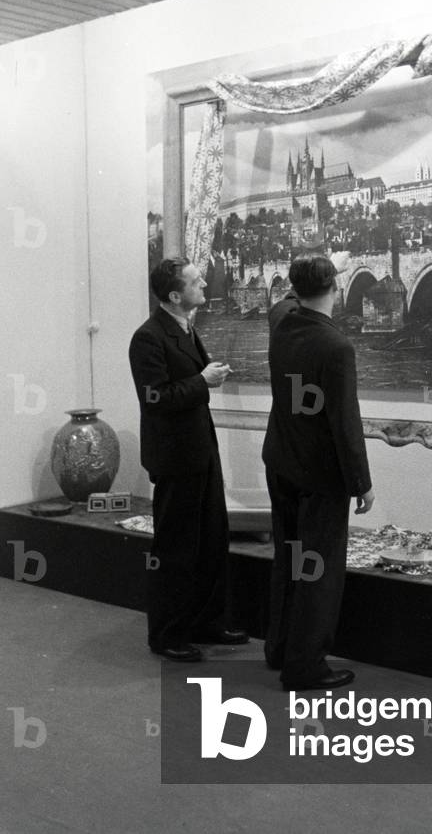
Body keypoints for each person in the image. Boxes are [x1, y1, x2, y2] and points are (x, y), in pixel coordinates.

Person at [262, 253, 374, 692]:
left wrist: (318, 272)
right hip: (320, 475)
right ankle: (305, 666)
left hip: (281, 463)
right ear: (336, 287)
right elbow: (346, 423)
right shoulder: (336, 347)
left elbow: (288, 300)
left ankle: (280, 647)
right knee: (319, 569)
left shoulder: (280, 323)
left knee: (288, 559)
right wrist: (361, 484)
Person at [128, 257, 248, 662]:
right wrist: (203, 380)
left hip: (200, 451)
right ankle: (168, 635)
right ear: (176, 295)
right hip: (176, 457)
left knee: (212, 538)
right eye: (196, 281)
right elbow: (155, 398)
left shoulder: (184, 327)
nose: (203, 284)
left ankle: (206, 623)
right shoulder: (147, 338)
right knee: (176, 547)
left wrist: (204, 378)